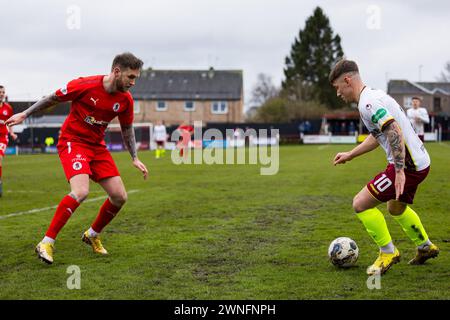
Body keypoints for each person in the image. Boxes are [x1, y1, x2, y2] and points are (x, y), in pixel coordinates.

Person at [6, 52, 149, 264]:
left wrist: (135, 158)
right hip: (73, 141)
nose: (133, 82)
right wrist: (25, 114)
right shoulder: (85, 84)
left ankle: (91, 234)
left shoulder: (125, 100)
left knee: (119, 197)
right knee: (81, 191)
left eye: (136, 77)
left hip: (97, 147)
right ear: (117, 71)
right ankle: (46, 242)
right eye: (130, 77)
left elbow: (127, 129)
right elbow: (52, 98)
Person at [329, 59, 439, 276]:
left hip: (408, 166)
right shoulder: (374, 96)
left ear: (347, 80)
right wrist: (351, 154)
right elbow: (379, 134)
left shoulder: (367, 103)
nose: (338, 93)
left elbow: (394, 131)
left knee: (360, 203)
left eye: (337, 88)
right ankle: (425, 247)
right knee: (395, 208)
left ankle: (388, 252)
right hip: (419, 162)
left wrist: (399, 171)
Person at [0, 86, 18, 197]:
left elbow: (10, 123)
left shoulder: (8, 108)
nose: (2, 94)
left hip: (2, 137)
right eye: (0, 92)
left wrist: (12, 133)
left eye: (3, 92)